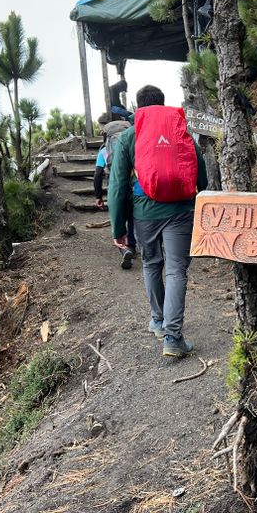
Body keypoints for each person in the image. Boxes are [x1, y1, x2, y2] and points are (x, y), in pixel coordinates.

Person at [107, 85, 208, 359]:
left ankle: (159, 322)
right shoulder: (179, 129)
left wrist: (118, 229)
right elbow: (201, 173)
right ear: (162, 104)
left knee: (152, 264)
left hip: (145, 212)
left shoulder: (129, 135)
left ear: (139, 108)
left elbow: (117, 185)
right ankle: (173, 337)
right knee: (176, 270)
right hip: (180, 210)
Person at [94, 118, 136, 269]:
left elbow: (98, 174)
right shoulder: (132, 146)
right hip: (133, 188)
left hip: (115, 190)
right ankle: (132, 244)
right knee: (132, 217)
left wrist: (99, 196)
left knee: (118, 217)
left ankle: (123, 248)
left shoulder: (104, 151)